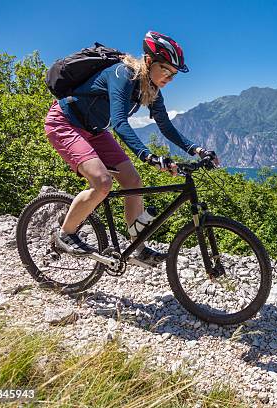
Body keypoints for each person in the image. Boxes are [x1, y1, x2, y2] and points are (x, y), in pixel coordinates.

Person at [44, 31, 218, 266]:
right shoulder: (122, 74)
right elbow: (119, 123)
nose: (168, 77)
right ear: (148, 61)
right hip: (65, 123)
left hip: (94, 131)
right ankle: (65, 234)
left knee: (133, 180)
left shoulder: (152, 90)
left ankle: (137, 247)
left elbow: (166, 127)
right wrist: (148, 155)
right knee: (102, 182)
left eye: (173, 74)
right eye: (165, 69)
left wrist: (197, 150)